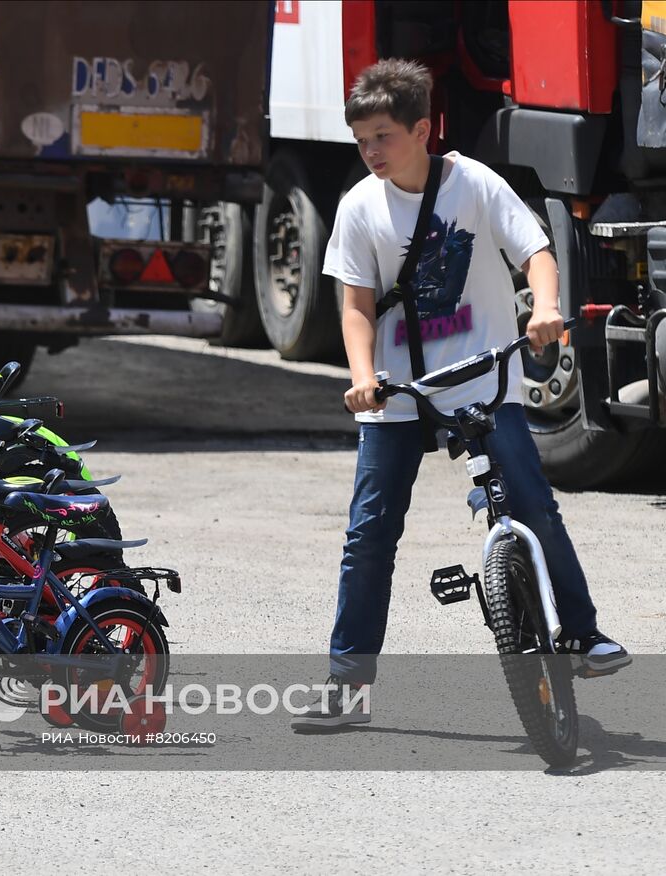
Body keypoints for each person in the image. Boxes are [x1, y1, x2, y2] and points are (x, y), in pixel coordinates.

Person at [291, 58, 630, 730]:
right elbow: (355, 305)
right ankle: (347, 684)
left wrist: (547, 308)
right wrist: (361, 375)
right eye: (362, 141)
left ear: (423, 129)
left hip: (481, 377)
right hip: (398, 388)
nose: (370, 153)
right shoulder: (360, 206)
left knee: (532, 499)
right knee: (369, 533)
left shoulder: (473, 184)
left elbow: (536, 251)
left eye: (383, 137)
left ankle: (585, 635)